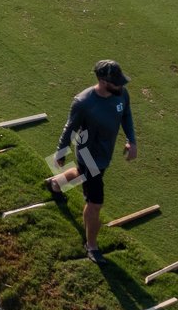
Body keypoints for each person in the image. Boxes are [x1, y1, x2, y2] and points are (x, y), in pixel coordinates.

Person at [46, 59, 138, 263]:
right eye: (117, 82)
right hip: (88, 152)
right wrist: (61, 152)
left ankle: (55, 184)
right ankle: (92, 246)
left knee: (83, 174)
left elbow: (126, 115)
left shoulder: (121, 94)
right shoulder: (84, 102)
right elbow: (69, 128)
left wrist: (132, 140)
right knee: (95, 202)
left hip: (105, 152)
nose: (121, 86)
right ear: (103, 81)